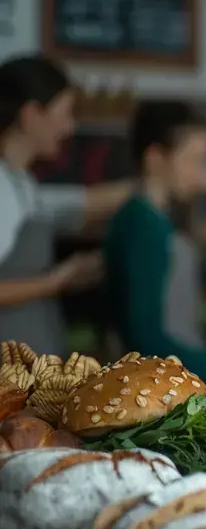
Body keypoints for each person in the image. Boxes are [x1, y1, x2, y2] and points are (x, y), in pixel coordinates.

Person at [101, 100, 206, 394]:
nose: (199, 174)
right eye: (193, 160)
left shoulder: (151, 216)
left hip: (169, 383)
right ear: (156, 158)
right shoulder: (144, 226)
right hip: (152, 389)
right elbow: (145, 337)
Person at [0, 54, 134, 355]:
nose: (70, 127)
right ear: (32, 113)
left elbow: (74, 204)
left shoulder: (20, 182)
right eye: (66, 112)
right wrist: (56, 281)